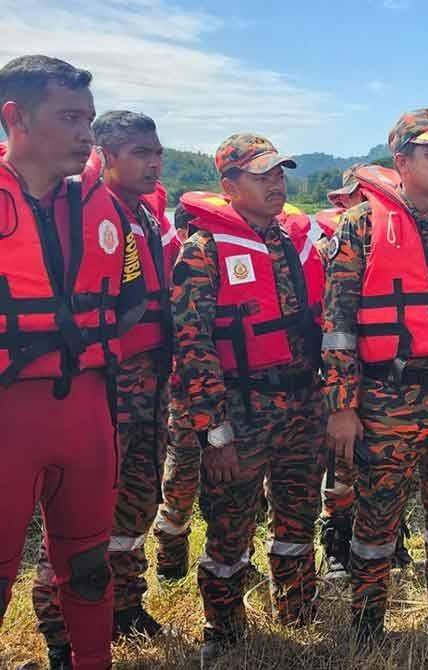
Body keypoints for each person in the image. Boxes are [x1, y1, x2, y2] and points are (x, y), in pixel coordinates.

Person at [322, 108, 428, 642]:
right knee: (376, 518)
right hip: (388, 396)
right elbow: (338, 325)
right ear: (402, 161)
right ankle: (368, 623)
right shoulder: (361, 224)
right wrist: (343, 407)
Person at [0, 55, 146, 670]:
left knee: (90, 563)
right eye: (69, 117)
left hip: (88, 411)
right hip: (9, 415)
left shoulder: (105, 207)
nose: (87, 133)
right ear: (15, 119)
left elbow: (133, 296)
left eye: (88, 118)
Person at [170, 134, 327, 665]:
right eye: (263, 176)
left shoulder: (290, 243)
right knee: (229, 527)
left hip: (302, 407)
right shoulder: (203, 251)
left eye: (280, 174)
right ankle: (224, 628)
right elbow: (193, 345)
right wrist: (214, 433)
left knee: (298, 518)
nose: (276, 184)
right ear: (229, 186)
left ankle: (299, 610)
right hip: (239, 412)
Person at [30, 111, 180, 663]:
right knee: (78, 518)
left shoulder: (144, 216)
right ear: (107, 155)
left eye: (157, 151)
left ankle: (125, 606)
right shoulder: (81, 213)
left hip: (151, 386)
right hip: (104, 387)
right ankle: (61, 634)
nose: (154, 162)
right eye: (141, 151)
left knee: (136, 507)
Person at [313, 163, 413, 583]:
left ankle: (394, 541)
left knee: (388, 470)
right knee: (342, 468)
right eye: (363, 197)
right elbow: (330, 323)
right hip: (341, 378)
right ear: (346, 200)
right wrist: (338, 396)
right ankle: (338, 546)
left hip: (388, 383)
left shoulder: (401, 243)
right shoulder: (327, 249)